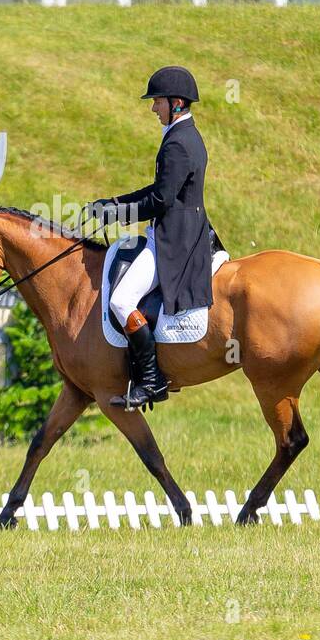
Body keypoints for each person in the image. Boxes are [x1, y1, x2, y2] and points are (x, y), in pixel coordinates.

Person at [89, 66, 215, 409]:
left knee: (121, 300)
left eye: (156, 101)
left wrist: (116, 214)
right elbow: (159, 190)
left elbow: (160, 201)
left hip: (174, 241)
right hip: (180, 232)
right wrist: (115, 204)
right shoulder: (183, 135)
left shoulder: (179, 143)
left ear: (175, 103)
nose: (152, 108)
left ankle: (150, 380)